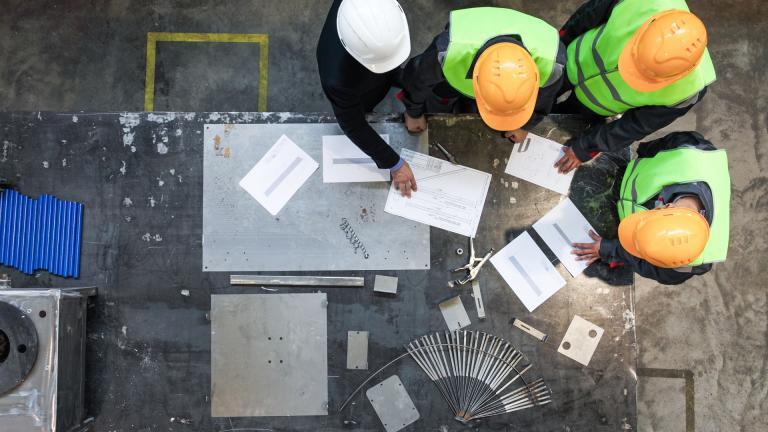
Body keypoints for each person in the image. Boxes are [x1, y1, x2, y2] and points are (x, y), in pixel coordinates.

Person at [553, 0, 716, 173]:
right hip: (571, 58)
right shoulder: (643, 3)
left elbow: (635, 126)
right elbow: (587, 14)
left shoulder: (689, 89)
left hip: (595, 104)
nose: (628, 74)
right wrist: (557, 47)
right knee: (539, 97)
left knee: (562, 121)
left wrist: (585, 147)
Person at [571, 131, 730, 285]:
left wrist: (610, 249)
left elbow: (652, 267)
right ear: (666, 206)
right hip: (621, 175)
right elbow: (652, 148)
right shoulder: (690, 150)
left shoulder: (690, 262)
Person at [399, 7, 565, 143]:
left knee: (474, 114)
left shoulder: (552, 64)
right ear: (474, 79)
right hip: (450, 78)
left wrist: (524, 125)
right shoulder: (449, 52)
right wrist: (414, 113)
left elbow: (544, 101)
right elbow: (416, 80)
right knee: (438, 103)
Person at [316, 0, 417, 196]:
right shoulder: (338, 79)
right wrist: (394, 163)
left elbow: (392, 70)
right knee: (364, 108)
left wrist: (414, 106)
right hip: (360, 84)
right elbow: (354, 125)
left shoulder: (378, 15)